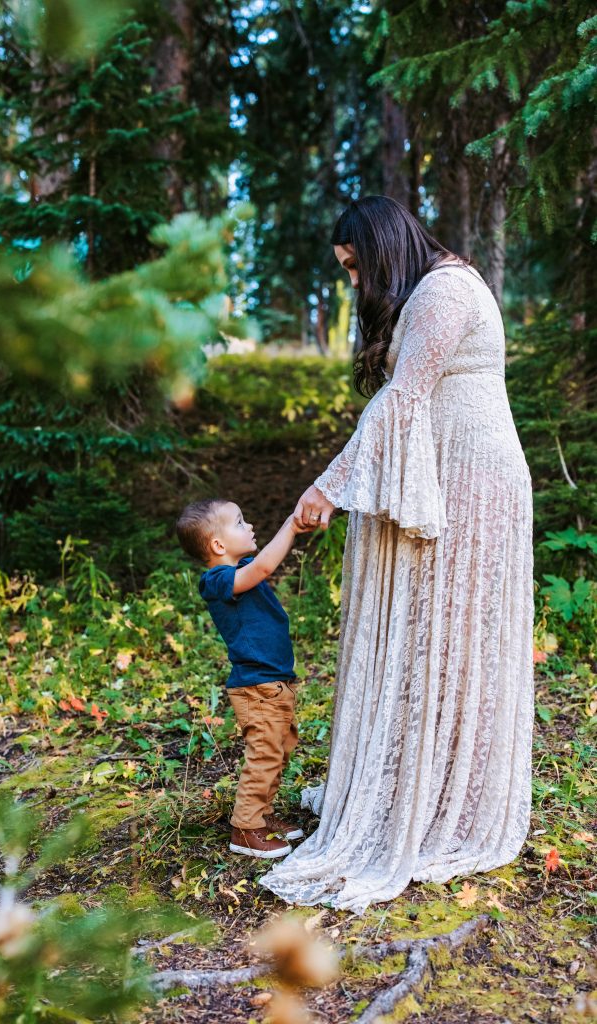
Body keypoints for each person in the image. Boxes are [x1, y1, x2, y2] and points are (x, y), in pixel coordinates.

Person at [259, 195, 535, 913]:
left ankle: (443, 798)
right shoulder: (430, 290)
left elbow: (402, 399)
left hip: (472, 484)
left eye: (354, 267)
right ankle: (410, 778)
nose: (353, 283)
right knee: (424, 637)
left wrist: (325, 486)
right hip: (448, 474)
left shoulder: (444, 290)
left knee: (450, 638)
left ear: (380, 250)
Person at [176, 499, 313, 859]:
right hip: (257, 685)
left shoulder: (243, 567)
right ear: (218, 545)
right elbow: (265, 566)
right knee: (264, 754)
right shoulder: (218, 580)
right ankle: (246, 828)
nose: (249, 526)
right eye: (239, 522)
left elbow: (259, 565)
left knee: (280, 751)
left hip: (275, 681)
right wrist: (291, 525)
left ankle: (262, 816)